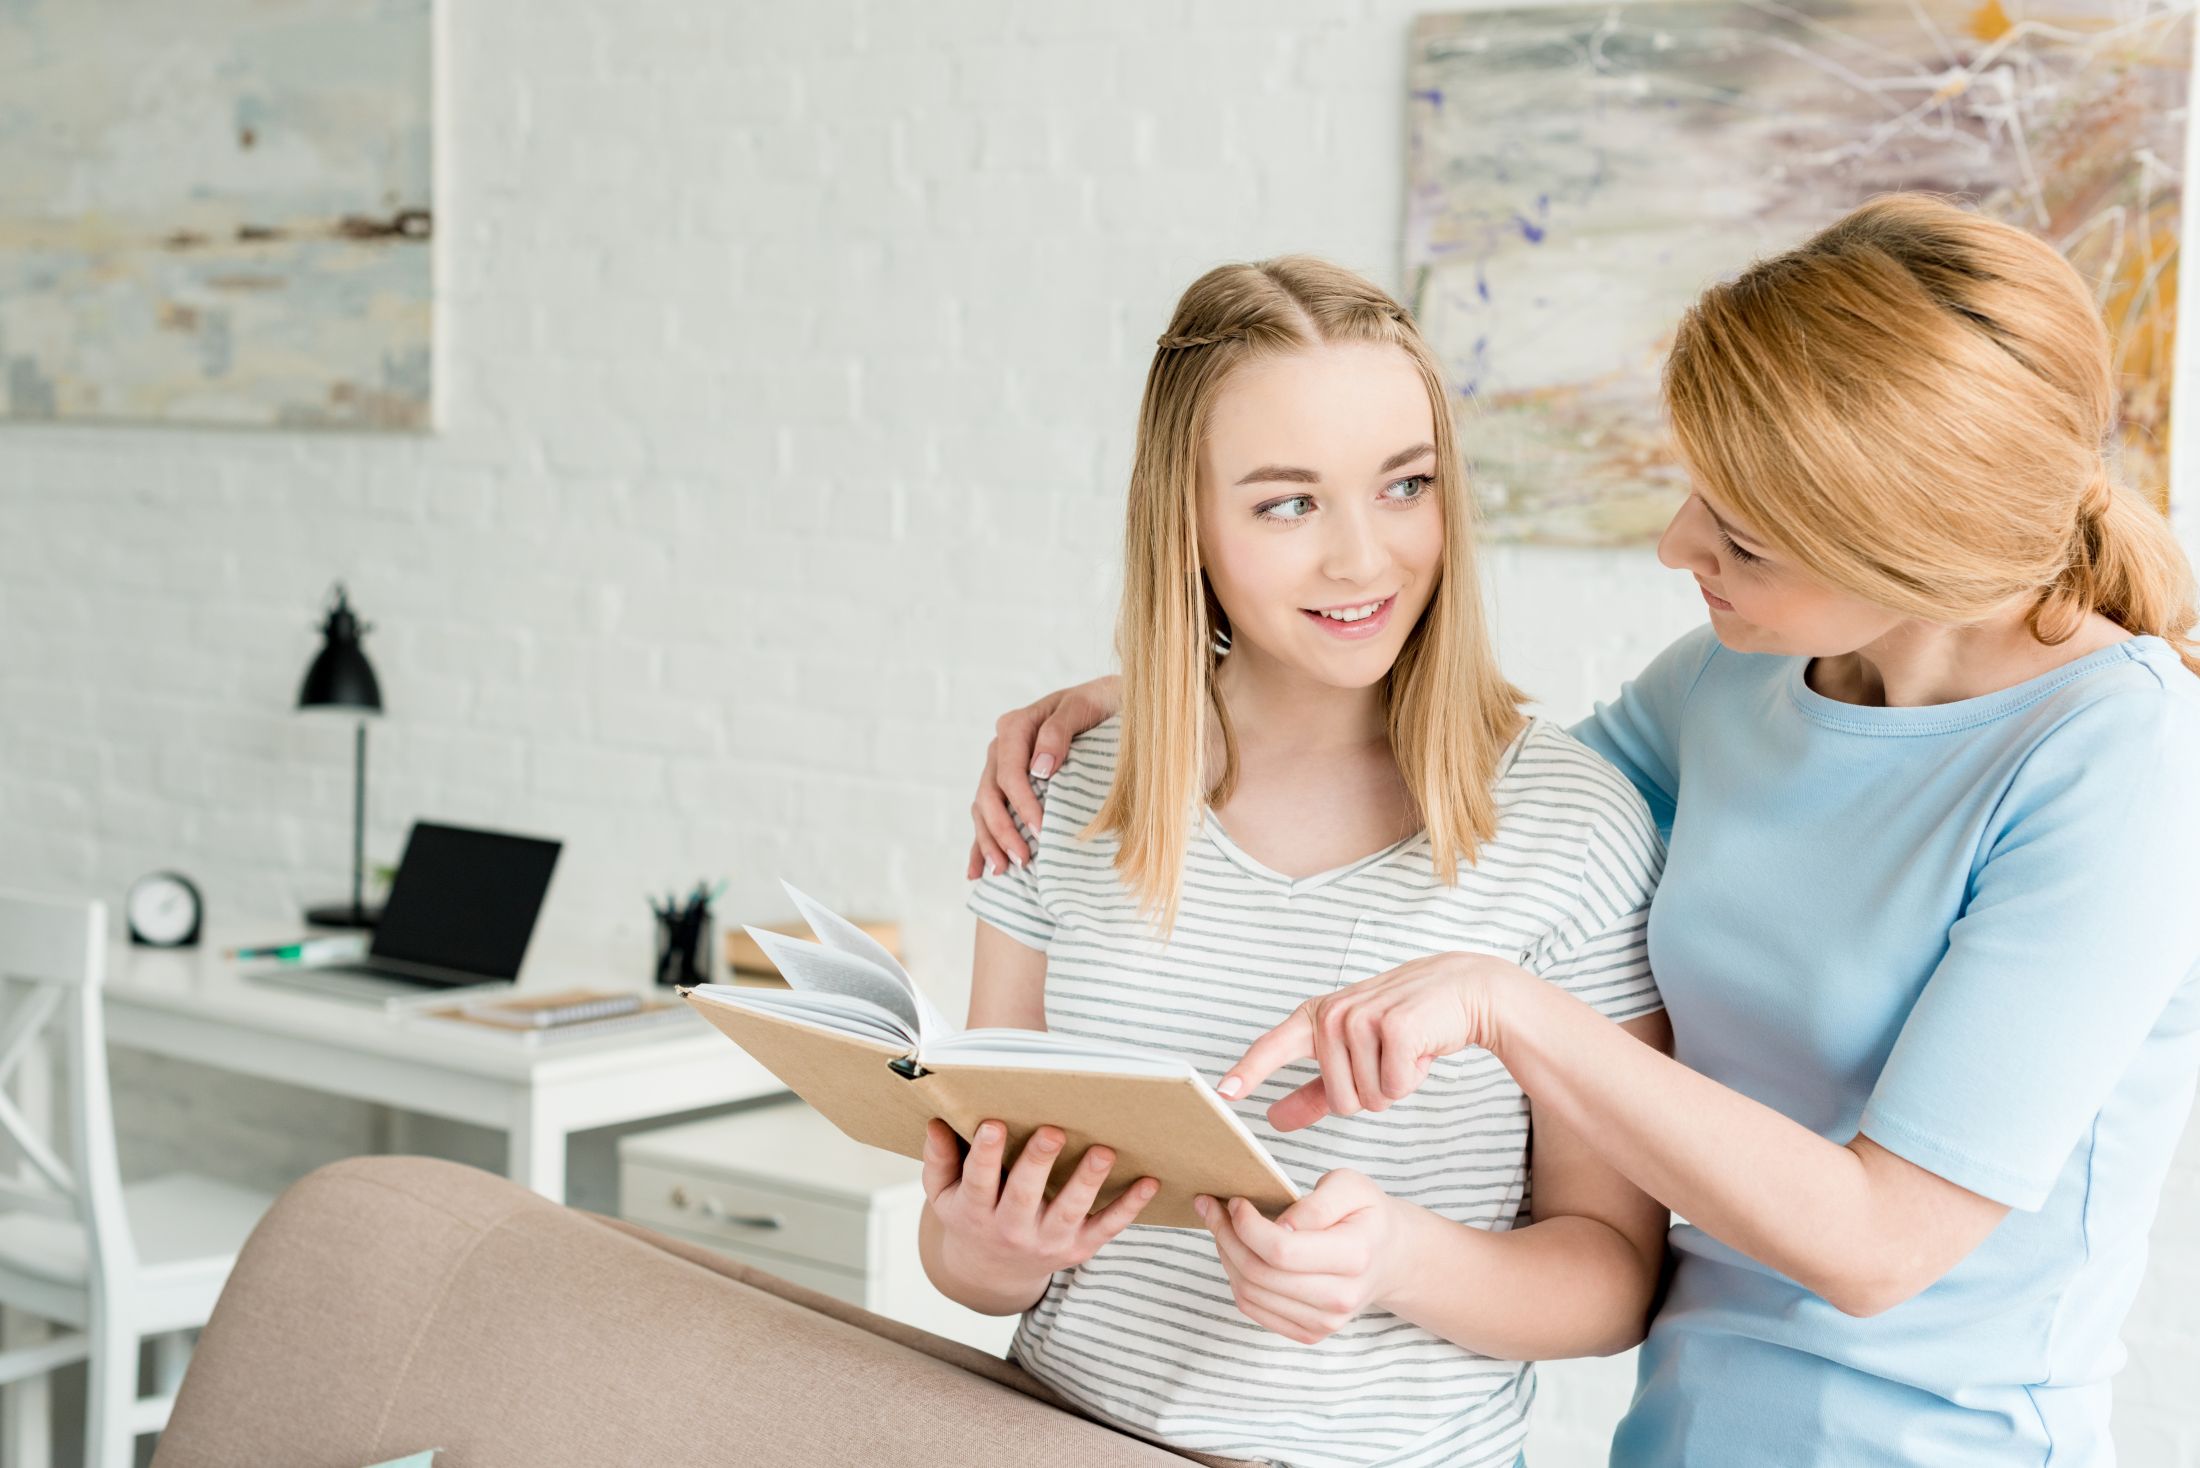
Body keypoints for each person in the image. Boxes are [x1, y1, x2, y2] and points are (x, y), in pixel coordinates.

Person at [966, 194, 2200, 1466]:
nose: (1678, 546)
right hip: (1683, 1426)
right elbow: (1466, 779)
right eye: (1693, 494)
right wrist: (1171, 694)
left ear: (1901, 540)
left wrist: (1508, 1011)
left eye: (1738, 532)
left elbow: (1876, 1246)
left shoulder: (2120, 761)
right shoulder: (1735, 684)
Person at [922, 254, 1677, 1468]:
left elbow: (1611, 1276)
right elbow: (962, 1250)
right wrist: (991, 1250)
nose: (1361, 561)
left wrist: (1398, 1261)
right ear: (1189, 521)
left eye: (1404, 486)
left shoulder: (1569, 823)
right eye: (1286, 503)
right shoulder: (1064, 788)